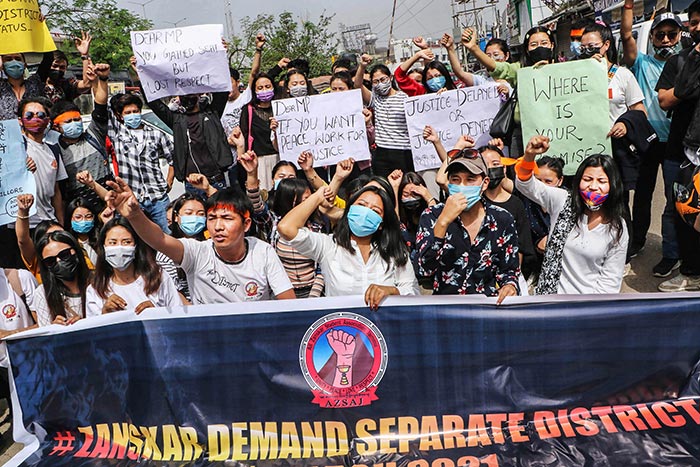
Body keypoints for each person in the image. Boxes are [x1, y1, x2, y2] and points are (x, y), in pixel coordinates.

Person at [106, 178, 295, 304]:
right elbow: (160, 239)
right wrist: (135, 215)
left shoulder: (263, 251)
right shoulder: (196, 251)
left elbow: (289, 304)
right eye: (212, 218)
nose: (218, 226)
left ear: (246, 224)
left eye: (227, 218)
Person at [515, 136, 628, 294]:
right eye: (587, 179)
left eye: (601, 181)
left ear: (613, 185)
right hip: (549, 300)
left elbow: (610, 281)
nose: (593, 186)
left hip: (585, 307)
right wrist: (529, 157)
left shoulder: (617, 227)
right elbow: (525, 185)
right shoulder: (562, 201)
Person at [278, 183, 419, 309]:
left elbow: (414, 293)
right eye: (361, 205)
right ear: (349, 209)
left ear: (381, 224)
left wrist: (392, 291)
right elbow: (286, 228)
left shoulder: (395, 251)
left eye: (375, 211)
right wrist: (317, 196)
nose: (365, 213)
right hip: (342, 331)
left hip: (382, 332)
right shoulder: (328, 246)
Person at [621, 6, 683, 276]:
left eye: (671, 35)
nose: (666, 40)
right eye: (660, 35)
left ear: (680, 36)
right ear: (653, 37)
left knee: (674, 198)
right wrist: (628, 7)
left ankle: (673, 251)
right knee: (643, 195)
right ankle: (637, 241)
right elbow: (626, 36)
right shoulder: (641, 62)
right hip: (648, 141)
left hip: (676, 142)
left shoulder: (686, 62)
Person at [416, 149, 520, 302]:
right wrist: (443, 222)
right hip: (445, 309)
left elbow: (509, 270)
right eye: (455, 180)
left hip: (485, 310)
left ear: (484, 183)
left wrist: (509, 286)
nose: (462, 186)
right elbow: (424, 270)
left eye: (470, 180)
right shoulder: (432, 215)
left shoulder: (502, 219)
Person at [130, 56, 233, 196]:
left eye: (190, 93)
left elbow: (222, 91)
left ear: (198, 94)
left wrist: (220, 57)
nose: (187, 97)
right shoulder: (176, 120)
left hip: (216, 181)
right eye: (183, 94)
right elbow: (154, 103)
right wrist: (141, 74)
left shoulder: (212, 113)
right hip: (192, 184)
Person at [656, 0, 700, 291]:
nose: (698, 27)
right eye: (694, 22)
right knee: (684, 210)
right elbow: (665, 99)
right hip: (682, 152)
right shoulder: (680, 61)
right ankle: (690, 269)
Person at [462, 26, 556, 156]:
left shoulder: (565, 69)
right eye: (534, 44)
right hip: (522, 133)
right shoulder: (519, 70)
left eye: (544, 43)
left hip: (558, 131)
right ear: (527, 49)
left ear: (552, 45)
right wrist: (473, 48)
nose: (539, 47)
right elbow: (498, 68)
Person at [108, 92, 174, 234]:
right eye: (128, 112)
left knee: (167, 235)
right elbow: (103, 108)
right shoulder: (117, 134)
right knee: (130, 236)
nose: (133, 115)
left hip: (157, 197)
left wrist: (169, 182)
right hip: (130, 198)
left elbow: (173, 159)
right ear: (120, 115)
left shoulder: (156, 134)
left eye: (135, 111)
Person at [86, 218, 182, 315]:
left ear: (136, 246)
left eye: (126, 242)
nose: (119, 247)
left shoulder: (158, 278)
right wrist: (105, 314)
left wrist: (156, 314)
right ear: (103, 247)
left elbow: (178, 315)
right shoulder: (95, 290)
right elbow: (92, 327)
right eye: (113, 243)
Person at [51, 62, 112, 210]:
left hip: (109, 204)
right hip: (80, 213)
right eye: (68, 121)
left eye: (77, 120)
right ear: (56, 126)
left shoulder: (93, 135)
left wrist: (102, 79)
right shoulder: (55, 152)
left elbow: (100, 106)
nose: (74, 123)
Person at [354, 54, 413, 178]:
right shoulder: (376, 99)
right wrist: (362, 66)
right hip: (382, 152)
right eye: (375, 82)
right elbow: (357, 85)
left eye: (383, 80)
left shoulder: (404, 97)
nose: (380, 84)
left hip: (403, 150)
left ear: (390, 78)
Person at [19, 96, 67, 228]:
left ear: (47, 120)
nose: (35, 119)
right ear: (20, 121)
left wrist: (60, 222)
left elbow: (56, 190)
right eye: (29, 116)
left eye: (40, 115)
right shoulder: (15, 149)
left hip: (49, 222)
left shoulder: (54, 150)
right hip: (23, 223)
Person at [33, 230, 91, 326]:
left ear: (76, 251)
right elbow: (46, 335)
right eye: (50, 261)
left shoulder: (97, 282)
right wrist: (55, 329)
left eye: (64, 255)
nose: (59, 261)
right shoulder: (42, 293)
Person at [239, 72, 281, 191]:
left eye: (267, 87)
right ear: (254, 90)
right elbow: (244, 135)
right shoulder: (248, 110)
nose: (264, 90)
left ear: (273, 87)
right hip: (259, 162)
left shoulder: (282, 108)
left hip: (280, 159)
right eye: (260, 88)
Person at [65, 197, 99, 266]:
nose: (84, 221)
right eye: (78, 217)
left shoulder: (101, 240)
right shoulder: (67, 244)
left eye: (88, 216)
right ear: (70, 219)